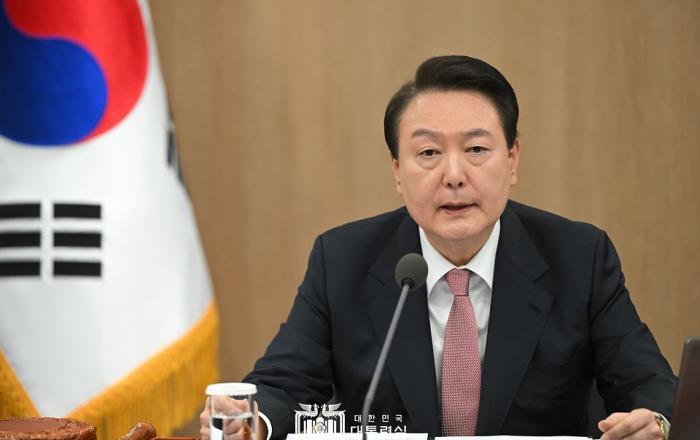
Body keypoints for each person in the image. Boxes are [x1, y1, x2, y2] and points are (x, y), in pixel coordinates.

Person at [200, 55, 677, 440]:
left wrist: (655, 421)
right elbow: (284, 383)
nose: (453, 175)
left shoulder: (579, 257)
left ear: (512, 159)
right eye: (428, 152)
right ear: (397, 171)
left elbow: (650, 385)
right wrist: (251, 422)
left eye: (476, 150)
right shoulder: (342, 260)